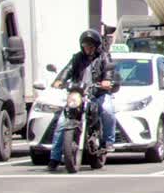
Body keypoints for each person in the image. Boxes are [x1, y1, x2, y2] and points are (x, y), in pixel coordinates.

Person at [48, 29, 116, 171]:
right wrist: (59, 80)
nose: (88, 48)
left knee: (108, 111)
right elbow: (67, 70)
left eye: (91, 46)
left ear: (97, 46)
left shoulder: (104, 57)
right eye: (85, 46)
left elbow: (109, 70)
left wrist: (107, 80)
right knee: (61, 122)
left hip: (98, 94)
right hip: (79, 95)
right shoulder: (77, 58)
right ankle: (54, 158)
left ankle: (107, 142)